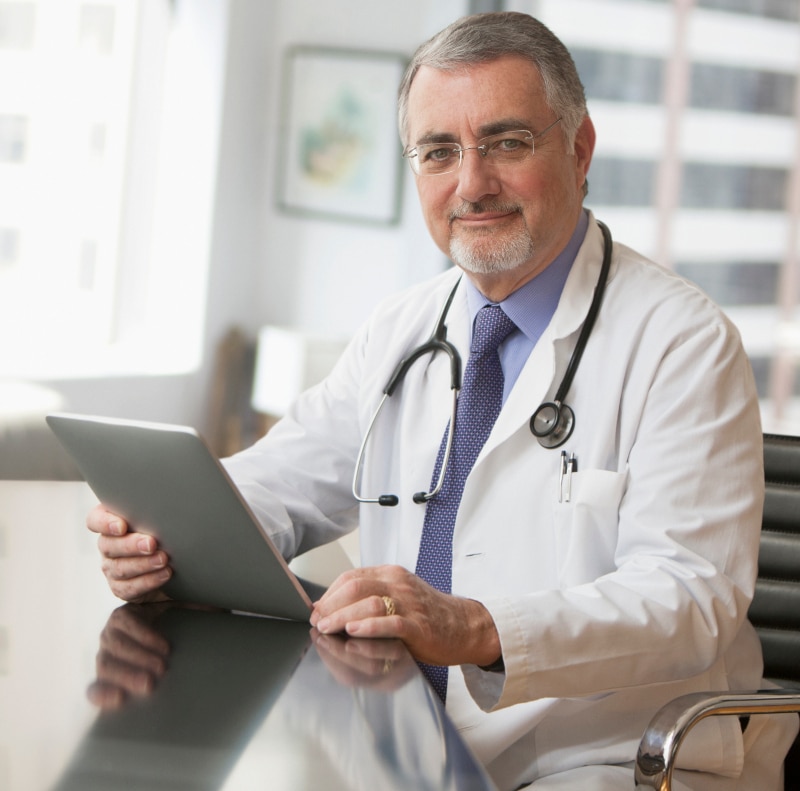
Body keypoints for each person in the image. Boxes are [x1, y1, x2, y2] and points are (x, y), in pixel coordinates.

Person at [87, 11, 797, 790]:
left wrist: (476, 626)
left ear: (580, 148)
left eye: (507, 142)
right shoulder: (402, 328)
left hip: (608, 754)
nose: (472, 183)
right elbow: (277, 481)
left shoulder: (683, 341)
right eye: (439, 152)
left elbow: (689, 597)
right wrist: (169, 535)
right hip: (407, 735)